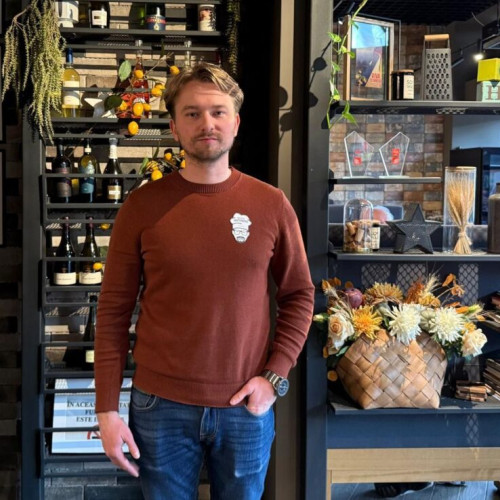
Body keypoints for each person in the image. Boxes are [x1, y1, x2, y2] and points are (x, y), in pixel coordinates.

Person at [94, 62, 315, 500]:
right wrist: (106, 410)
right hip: (159, 406)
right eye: (192, 113)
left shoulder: (270, 204)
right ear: (174, 127)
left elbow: (299, 294)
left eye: (217, 112)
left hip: (245, 406)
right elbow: (113, 311)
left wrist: (274, 377)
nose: (206, 124)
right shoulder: (142, 207)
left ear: (235, 122)